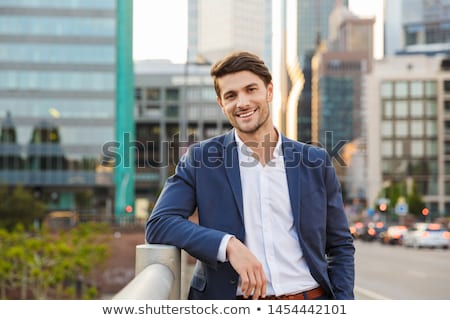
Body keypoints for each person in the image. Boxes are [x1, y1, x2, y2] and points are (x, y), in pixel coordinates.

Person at [146, 51, 355, 300]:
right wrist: (227, 245)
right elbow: (160, 223)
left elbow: (340, 245)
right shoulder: (201, 159)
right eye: (231, 96)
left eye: (251, 90)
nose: (242, 102)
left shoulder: (315, 161)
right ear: (221, 104)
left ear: (269, 91)